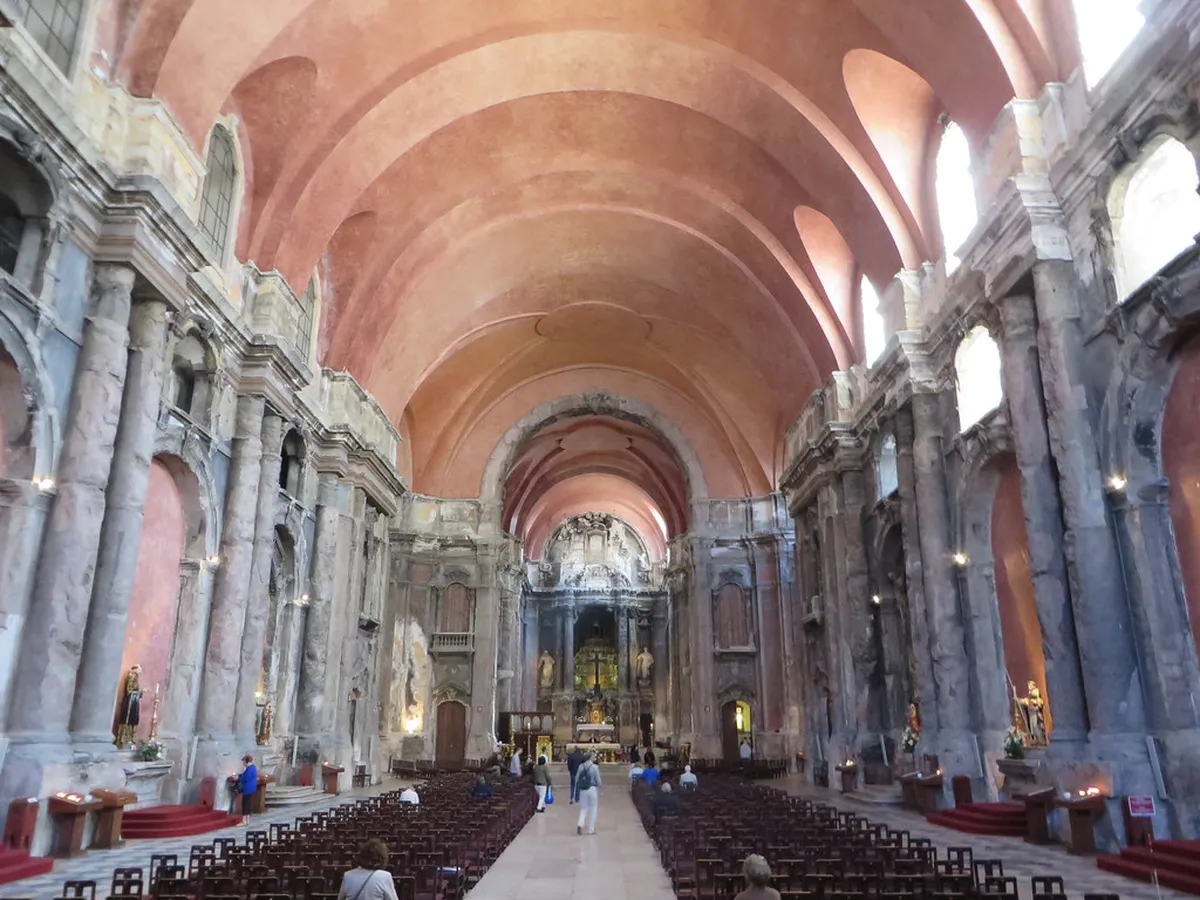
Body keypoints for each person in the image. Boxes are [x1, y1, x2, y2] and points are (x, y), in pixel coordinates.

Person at [575, 752, 600, 835]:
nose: (595, 757)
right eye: (594, 756)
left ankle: (580, 823)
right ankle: (591, 829)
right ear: (590, 758)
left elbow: (577, 778)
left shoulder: (581, 766)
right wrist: (599, 786)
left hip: (583, 789)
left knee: (583, 808)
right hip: (592, 788)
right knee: (593, 808)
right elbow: (598, 780)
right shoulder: (595, 767)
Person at [236, 754, 257, 825]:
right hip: (251, 788)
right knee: (248, 804)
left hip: (247, 788)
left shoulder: (249, 769)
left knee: (245, 804)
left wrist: (237, 778)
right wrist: (239, 775)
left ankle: (244, 820)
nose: (243, 763)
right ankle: (247, 819)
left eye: (243, 762)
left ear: (247, 761)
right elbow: (244, 775)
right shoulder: (253, 767)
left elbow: (245, 778)